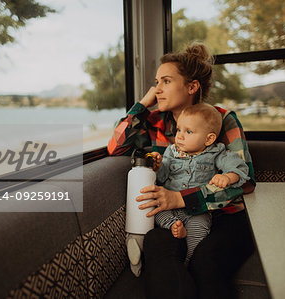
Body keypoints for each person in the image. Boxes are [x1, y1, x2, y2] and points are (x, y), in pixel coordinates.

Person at [108, 42, 256, 299]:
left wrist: (181, 197)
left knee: (205, 261)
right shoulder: (153, 122)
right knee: (158, 249)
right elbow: (116, 147)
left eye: (166, 81)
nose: (158, 89)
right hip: (172, 217)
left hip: (225, 218)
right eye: (156, 83)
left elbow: (245, 182)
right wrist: (144, 104)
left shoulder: (221, 118)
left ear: (192, 86)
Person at [127, 103, 250, 277]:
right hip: (170, 209)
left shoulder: (217, 152)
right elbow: (162, 176)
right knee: (156, 212)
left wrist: (228, 177)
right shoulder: (172, 151)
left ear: (209, 139)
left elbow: (241, 169)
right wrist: (158, 165)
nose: (180, 137)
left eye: (188, 132)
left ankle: (189, 261)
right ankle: (173, 226)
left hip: (198, 210)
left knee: (199, 229)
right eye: (178, 130)